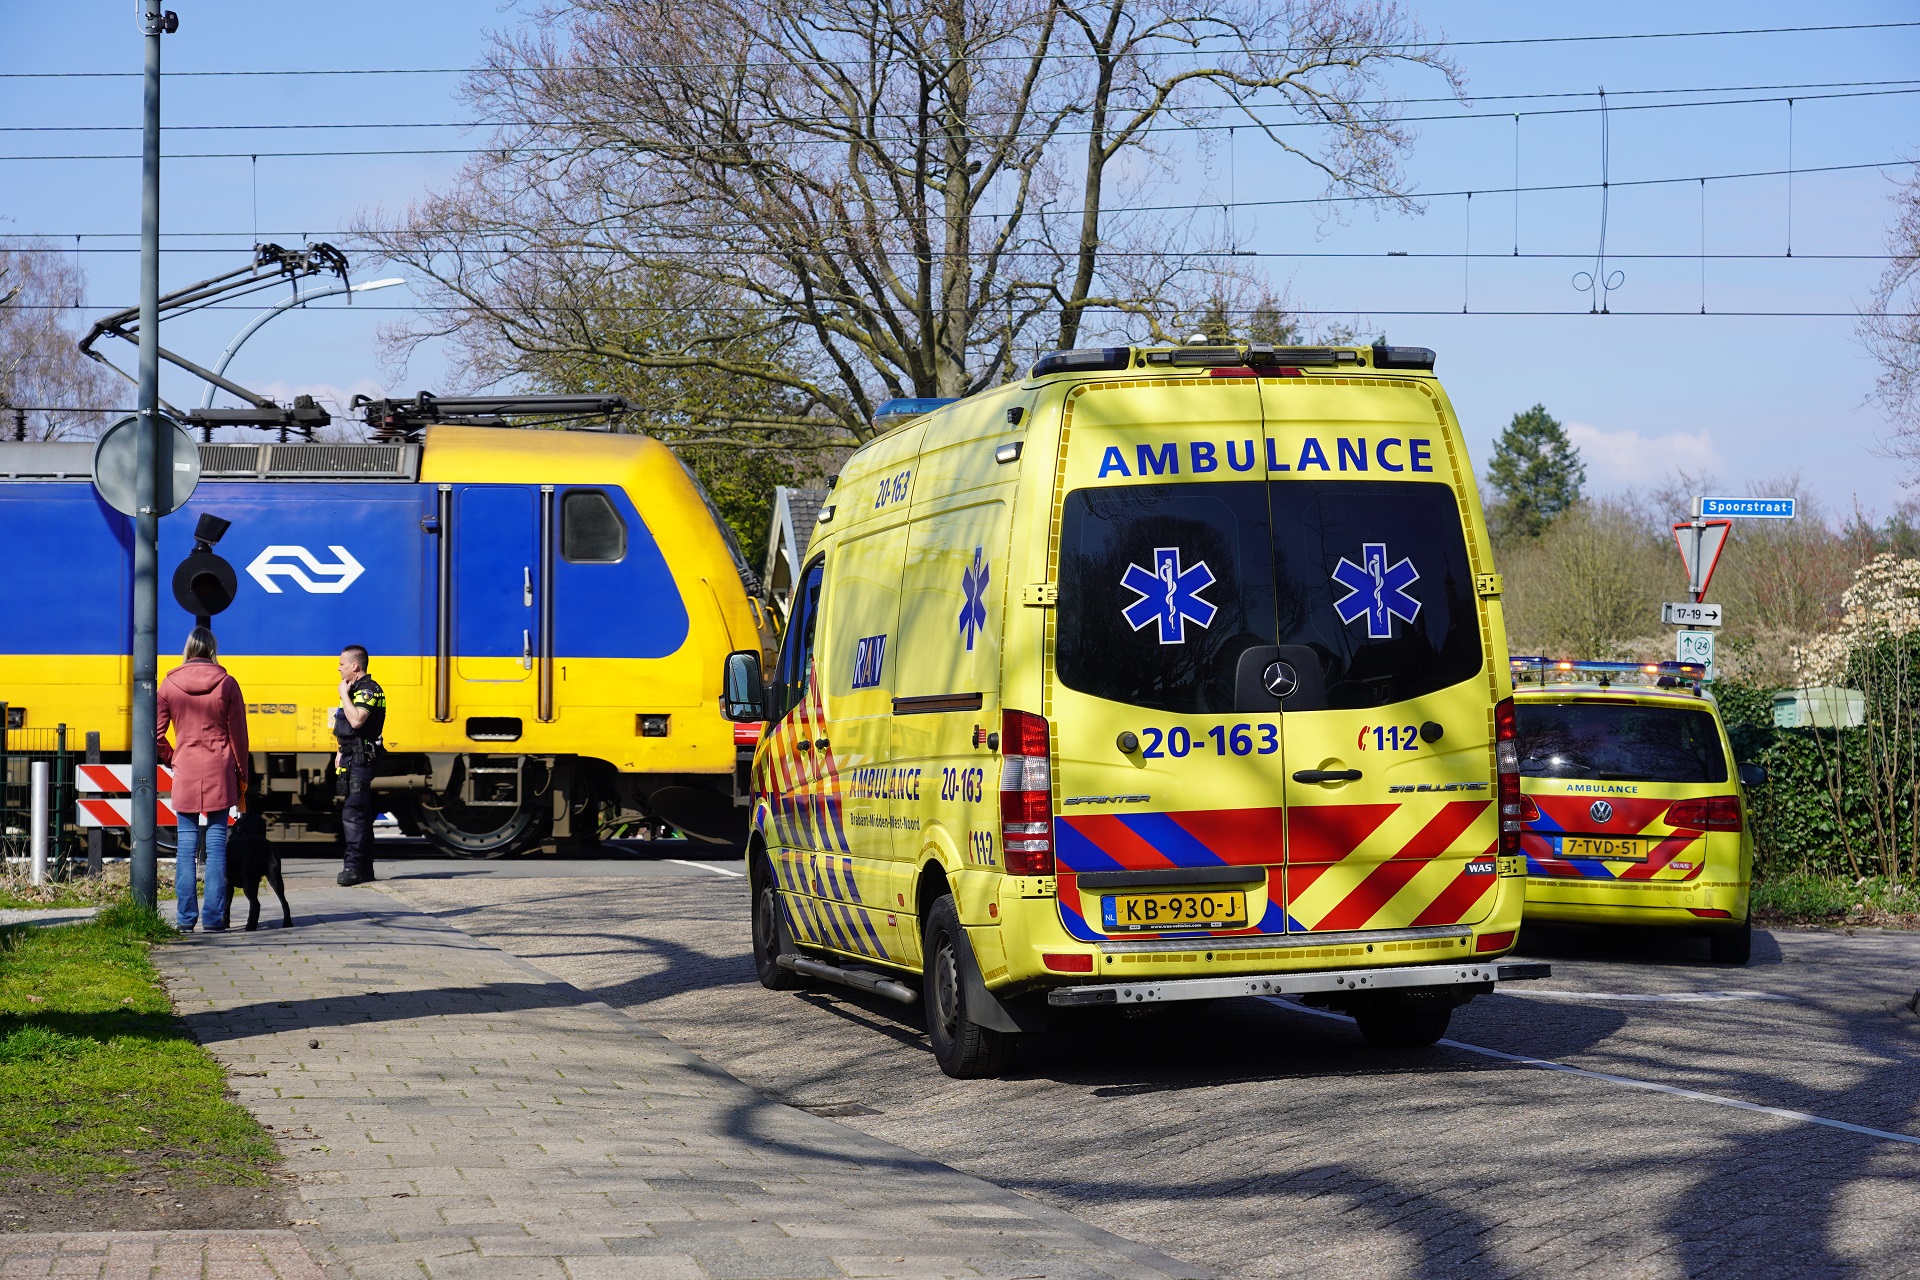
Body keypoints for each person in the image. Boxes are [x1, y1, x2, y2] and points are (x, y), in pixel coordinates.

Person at [156, 627, 249, 932]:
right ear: (212, 650)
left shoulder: (168, 685)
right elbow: (238, 737)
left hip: (186, 769)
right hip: (219, 769)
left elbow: (155, 736)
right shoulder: (227, 684)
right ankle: (213, 918)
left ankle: (184, 920)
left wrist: (174, 757)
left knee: (185, 845)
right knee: (217, 845)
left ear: (188, 648)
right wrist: (241, 775)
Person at [334, 644, 386, 886]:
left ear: (355, 666)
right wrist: (339, 752)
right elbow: (345, 726)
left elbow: (356, 721)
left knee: (353, 814)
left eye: (342, 664)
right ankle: (365, 869)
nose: (339, 668)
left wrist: (342, 694)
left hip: (362, 759)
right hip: (351, 757)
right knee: (360, 813)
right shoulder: (355, 689)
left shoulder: (368, 691)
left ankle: (354, 868)